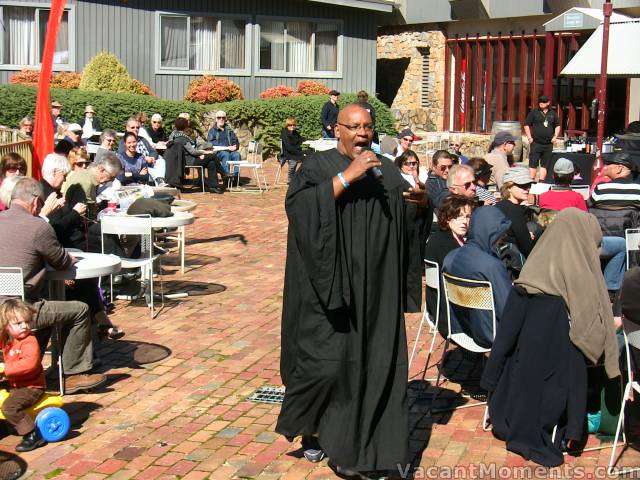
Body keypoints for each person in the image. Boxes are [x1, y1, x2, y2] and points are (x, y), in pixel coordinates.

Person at [276, 104, 427, 477]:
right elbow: (300, 209)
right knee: (325, 366)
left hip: (377, 293)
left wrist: (422, 206)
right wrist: (347, 177)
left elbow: (402, 220)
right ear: (337, 129)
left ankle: (363, 450)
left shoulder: (385, 168)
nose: (362, 133)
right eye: (354, 127)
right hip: (331, 288)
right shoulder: (316, 166)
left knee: (376, 368)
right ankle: (313, 431)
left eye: (368, 127)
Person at [480, 209, 618, 468]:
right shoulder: (580, 275)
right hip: (553, 376)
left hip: (519, 378)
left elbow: (505, 338)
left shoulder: (532, 268)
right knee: (589, 350)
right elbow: (589, 337)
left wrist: (489, 378)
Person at [0, 178, 106, 394]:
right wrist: (69, 258)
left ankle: (28, 367)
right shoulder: (38, 227)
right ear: (36, 202)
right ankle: (73, 373)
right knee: (78, 310)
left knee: (50, 312)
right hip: (18, 309)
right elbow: (61, 261)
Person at [443, 206, 513, 347]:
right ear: (490, 232)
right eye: (500, 234)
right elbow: (508, 310)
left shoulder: (450, 257)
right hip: (490, 333)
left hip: (461, 327)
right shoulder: (490, 265)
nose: (502, 238)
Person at [425, 195, 476, 337]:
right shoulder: (444, 243)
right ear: (447, 218)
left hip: (449, 302)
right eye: (458, 216)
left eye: (467, 216)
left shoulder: (451, 238)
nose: (464, 221)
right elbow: (463, 276)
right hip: (449, 312)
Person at [0, 299, 47, 452]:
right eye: (18, 323)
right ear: (6, 326)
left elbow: (29, 364)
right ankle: (7, 425)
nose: (25, 326)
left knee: (10, 407)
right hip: (15, 383)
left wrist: (5, 368)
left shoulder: (29, 341)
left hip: (31, 387)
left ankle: (33, 434)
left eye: (27, 322)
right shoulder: (7, 338)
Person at [166, 117, 224, 193]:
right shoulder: (182, 138)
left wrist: (200, 153)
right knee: (212, 155)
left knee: (211, 163)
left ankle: (213, 186)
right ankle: (223, 173)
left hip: (189, 159)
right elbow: (192, 151)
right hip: (190, 161)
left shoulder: (174, 135)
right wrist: (204, 152)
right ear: (185, 126)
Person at [589, 152, 640, 237]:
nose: (605, 167)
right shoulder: (637, 190)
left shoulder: (601, 189)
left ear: (619, 168)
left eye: (608, 164)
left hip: (603, 239)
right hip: (629, 240)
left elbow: (589, 207)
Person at [495, 167, 536, 260]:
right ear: (509, 187)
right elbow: (527, 247)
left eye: (529, 185)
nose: (527, 189)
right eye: (522, 185)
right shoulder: (514, 211)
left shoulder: (500, 206)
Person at [117, 117, 165, 184]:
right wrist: (145, 159)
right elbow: (124, 156)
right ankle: (159, 181)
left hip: (150, 162)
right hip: (139, 166)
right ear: (127, 128)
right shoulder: (124, 141)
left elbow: (153, 151)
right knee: (155, 172)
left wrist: (151, 158)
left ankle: (160, 180)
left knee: (161, 161)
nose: (135, 129)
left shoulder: (142, 139)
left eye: (137, 127)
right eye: (133, 127)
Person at [524, 95, 560, 181]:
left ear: (548, 103)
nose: (541, 103)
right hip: (536, 143)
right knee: (533, 164)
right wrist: (529, 137)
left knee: (545, 165)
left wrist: (555, 136)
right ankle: (531, 182)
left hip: (548, 144)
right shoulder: (534, 112)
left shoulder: (553, 113)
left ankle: (541, 183)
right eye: (540, 101)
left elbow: (557, 125)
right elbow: (526, 124)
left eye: (543, 102)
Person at [206, 110, 240, 183]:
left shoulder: (229, 130)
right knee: (225, 154)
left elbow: (236, 141)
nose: (221, 119)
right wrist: (227, 147)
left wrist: (235, 146)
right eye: (219, 117)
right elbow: (211, 145)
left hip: (230, 151)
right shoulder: (212, 131)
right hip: (218, 153)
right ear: (216, 119)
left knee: (237, 154)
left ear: (225, 119)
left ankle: (236, 179)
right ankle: (226, 178)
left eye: (223, 118)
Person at [280, 117, 305, 184]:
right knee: (298, 158)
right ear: (287, 125)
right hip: (287, 153)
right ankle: (290, 178)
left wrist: (312, 139)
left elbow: (301, 139)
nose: (292, 126)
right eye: (290, 125)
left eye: (294, 125)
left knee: (307, 157)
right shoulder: (284, 133)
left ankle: (297, 176)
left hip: (294, 151)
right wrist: (300, 152)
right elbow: (289, 148)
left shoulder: (295, 133)